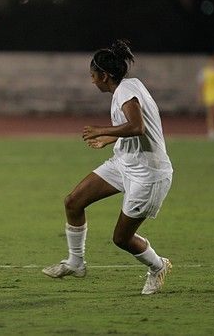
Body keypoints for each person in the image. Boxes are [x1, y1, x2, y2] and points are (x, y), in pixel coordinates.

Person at [42, 40, 173, 295]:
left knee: (121, 239)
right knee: (73, 202)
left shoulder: (125, 91)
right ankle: (76, 263)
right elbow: (136, 127)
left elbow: (138, 127)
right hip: (124, 163)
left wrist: (102, 129)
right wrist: (110, 138)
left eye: (93, 76)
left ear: (105, 75)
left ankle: (158, 266)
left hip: (148, 173)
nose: (92, 81)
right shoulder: (130, 86)